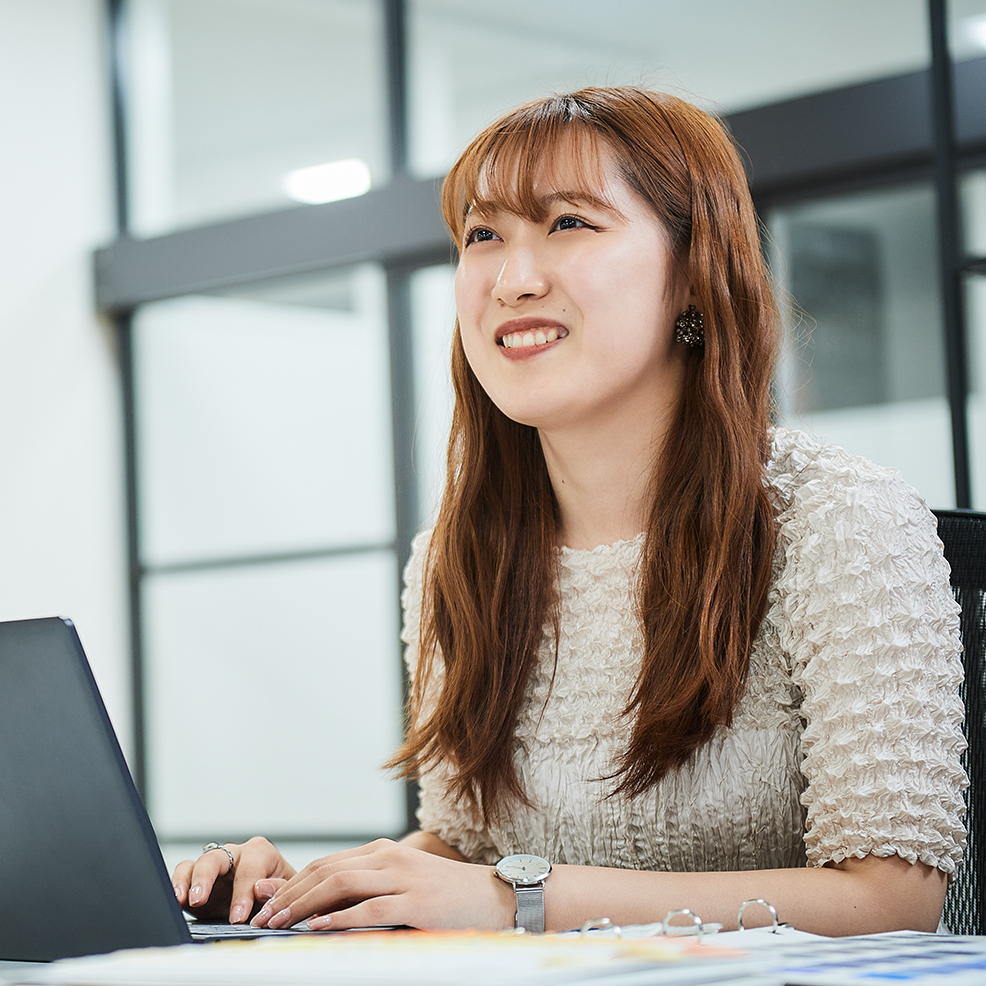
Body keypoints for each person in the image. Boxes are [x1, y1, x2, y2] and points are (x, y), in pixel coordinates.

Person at [171, 86, 966, 937]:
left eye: (569, 224)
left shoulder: (839, 522)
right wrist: (316, 894)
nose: (513, 280)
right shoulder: (453, 556)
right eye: (483, 236)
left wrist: (520, 898)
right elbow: (469, 849)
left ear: (696, 270)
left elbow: (891, 900)